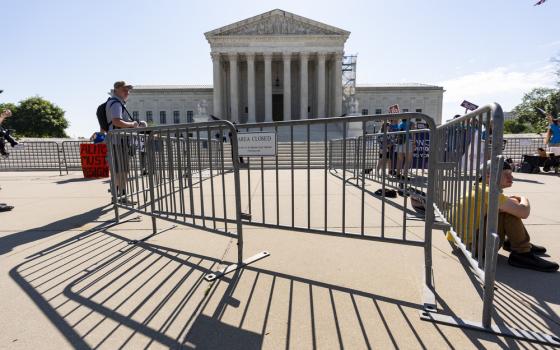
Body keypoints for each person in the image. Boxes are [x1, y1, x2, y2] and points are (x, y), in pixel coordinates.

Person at [452, 159, 558, 272]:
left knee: (504, 209)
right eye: (507, 174)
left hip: (464, 242)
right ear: (489, 176)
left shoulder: (480, 188)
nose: (511, 178)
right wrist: (523, 198)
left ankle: (511, 242)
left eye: (511, 174)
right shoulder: (489, 192)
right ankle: (522, 252)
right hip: (474, 247)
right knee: (509, 212)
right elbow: (523, 212)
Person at [106, 81, 141, 202]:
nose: (127, 92)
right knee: (121, 171)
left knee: (121, 170)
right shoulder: (116, 104)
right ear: (116, 90)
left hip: (118, 141)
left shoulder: (116, 103)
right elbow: (116, 121)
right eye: (124, 90)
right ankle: (120, 197)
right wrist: (132, 124)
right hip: (118, 141)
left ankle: (119, 196)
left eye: (128, 90)